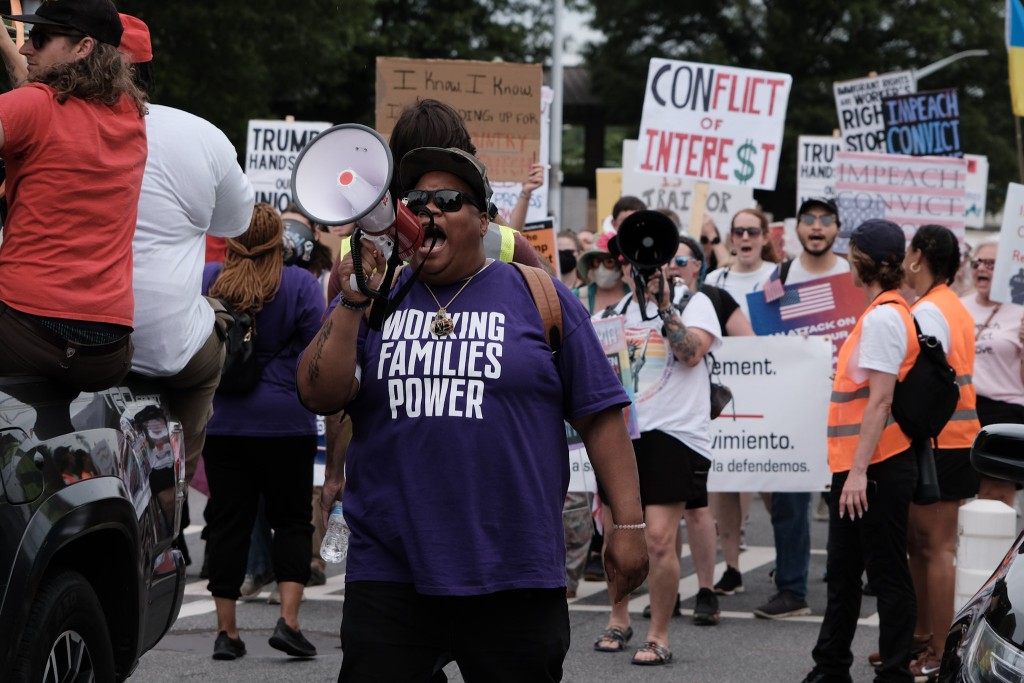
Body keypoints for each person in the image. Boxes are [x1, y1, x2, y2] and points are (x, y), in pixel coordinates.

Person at [297, 146, 648, 682]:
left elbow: (601, 414)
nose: (429, 209)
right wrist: (350, 300)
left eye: (449, 199)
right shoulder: (378, 298)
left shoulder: (537, 295)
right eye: (416, 200)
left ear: (483, 219)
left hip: (515, 571)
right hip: (392, 571)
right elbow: (319, 394)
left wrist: (627, 524)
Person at [116, 14, 255, 487]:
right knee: (214, 330)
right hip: (169, 345)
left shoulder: (52, 128)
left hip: (76, 335)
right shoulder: (200, 134)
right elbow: (236, 222)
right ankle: (178, 483)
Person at [594, 211, 723, 666]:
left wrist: (665, 306)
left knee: (660, 540)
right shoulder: (609, 314)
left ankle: (660, 634)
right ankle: (619, 617)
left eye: (651, 262)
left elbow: (691, 355)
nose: (641, 268)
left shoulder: (695, 303)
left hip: (673, 434)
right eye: (632, 261)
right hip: (622, 436)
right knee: (614, 536)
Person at [0, 0, 146, 394]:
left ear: (83, 47)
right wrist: (4, 41)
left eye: (40, 38)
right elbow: (32, 98)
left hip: (24, 334)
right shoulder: (131, 114)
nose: (27, 48)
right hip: (107, 355)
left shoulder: (35, 107)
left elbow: (28, 105)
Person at [202, 204, 325, 661]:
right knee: (292, 519)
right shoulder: (300, 284)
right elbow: (317, 351)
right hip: (286, 422)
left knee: (227, 521)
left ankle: (226, 631)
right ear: (281, 241)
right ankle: (289, 622)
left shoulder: (210, 278)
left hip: (225, 421)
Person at [802, 219, 919, 683]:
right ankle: (830, 667)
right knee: (844, 572)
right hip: (861, 466)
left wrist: (856, 473)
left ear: (863, 261)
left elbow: (881, 401)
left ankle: (894, 673)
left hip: (874, 468)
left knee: (886, 575)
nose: (847, 259)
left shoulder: (886, 316)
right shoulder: (882, 311)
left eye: (851, 252)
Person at [755, 197, 850, 620]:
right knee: (791, 501)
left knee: (849, 499)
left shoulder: (853, 274)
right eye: (808, 220)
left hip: (846, 406)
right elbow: (766, 333)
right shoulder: (779, 277)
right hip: (797, 406)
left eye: (825, 220)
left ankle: (846, 577)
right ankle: (792, 588)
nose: (816, 227)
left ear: (836, 229)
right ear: (796, 229)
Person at [901, 224, 981, 680]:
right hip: (947, 440)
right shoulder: (946, 305)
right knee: (924, 544)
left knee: (935, 547)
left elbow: (926, 384)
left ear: (920, 257)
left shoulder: (931, 311)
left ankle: (936, 648)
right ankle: (918, 637)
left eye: (910, 252)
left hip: (943, 442)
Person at [962, 241, 1024, 509]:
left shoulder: (1020, 312)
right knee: (956, 498)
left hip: (1003, 413)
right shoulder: (958, 306)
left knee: (994, 503)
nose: (981, 269)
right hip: (961, 410)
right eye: (977, 263)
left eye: (991, 264)